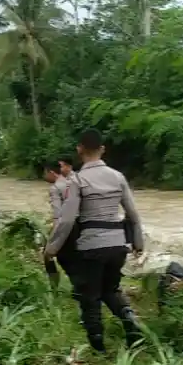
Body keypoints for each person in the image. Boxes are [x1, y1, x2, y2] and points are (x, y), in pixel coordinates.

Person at [44, 128, 144, 352]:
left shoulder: (77, 181)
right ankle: (129, 318)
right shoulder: (118, 177)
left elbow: (67, 220)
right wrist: (138, 243)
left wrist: (52, 249)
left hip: (91, 245)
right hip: (118, 245)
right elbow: (133, 214)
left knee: (90, 295)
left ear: (79, 149)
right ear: (103, 149)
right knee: (111, 288)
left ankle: (98, 346)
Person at [42, 160, 70, 289]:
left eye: (45, 173)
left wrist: (52, 240)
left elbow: (58, 216)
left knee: (48, 255)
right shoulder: (72, 183)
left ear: (51, 173)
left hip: (66, 227)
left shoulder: (56, 188)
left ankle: (54, 287)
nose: (44, 176)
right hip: (81, 226)